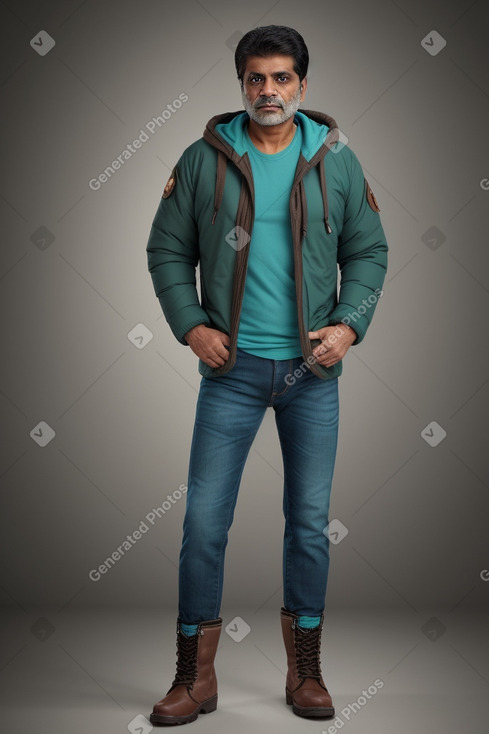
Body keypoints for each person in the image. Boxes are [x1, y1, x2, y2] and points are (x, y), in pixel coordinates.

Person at [146, 24, 388, 725]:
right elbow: (166, 250)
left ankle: (304, 673)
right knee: (202, 525)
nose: (268, 91)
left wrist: (347, 324)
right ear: (241, 84)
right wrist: (192, 326)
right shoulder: (203, 159)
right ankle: (194, 679)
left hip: (312, 374)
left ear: (302, 86)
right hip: (232, 372)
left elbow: (368, 251)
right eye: (255, 78)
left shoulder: (335, 160)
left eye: (281, 78)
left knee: (309, 524)